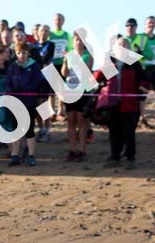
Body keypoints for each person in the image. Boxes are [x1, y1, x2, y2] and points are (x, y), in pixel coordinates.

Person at [95, 37, 150, 170]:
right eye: (119, 44)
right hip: (112, 104)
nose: (122, 46)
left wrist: (143, 87)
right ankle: (115, 157)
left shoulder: (134, 63)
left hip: (130, 104)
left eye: (125, 44)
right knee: (114, 131)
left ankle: (130, 158)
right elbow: (97, 78)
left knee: (129, 132)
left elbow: (144, 80)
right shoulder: (110, 62)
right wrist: (103, 66)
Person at [5, 43, 43, 166]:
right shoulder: (13, 67)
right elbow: (8, 81)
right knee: (16, 129)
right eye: (19, 52)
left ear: (28, 53)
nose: (22, 55)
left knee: (29, 129)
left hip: (29, 102)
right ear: (16, 54)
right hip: (15, 102)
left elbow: (37, 82)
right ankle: (15, 155)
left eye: (24, 52)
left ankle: (31, 156)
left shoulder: (34, 66)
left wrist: (26, 90)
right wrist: (11, 91)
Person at [61, 32, 94, 162]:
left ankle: (82, 150)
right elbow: (64, 73)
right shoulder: (69, 55)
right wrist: (65, 61)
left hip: (83, 91)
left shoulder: (88, 55)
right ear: (73, 41)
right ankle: (72, 150)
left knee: (81, 120)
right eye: (76, 40)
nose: (79, 42)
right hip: (70, 90)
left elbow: (88, 72)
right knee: (71, 120)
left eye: (81, 40)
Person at [49, 14, 71, 120]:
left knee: (62, 88)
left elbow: (70, 49)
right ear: (54, 21)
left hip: (63, 64)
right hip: (51, 63)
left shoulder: (67, 35)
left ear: (63, 21)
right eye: (56, 19)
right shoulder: (50, 34)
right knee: (50, 89)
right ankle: (51, 110)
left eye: (60, 19)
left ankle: (61, 110)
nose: (58, 21)